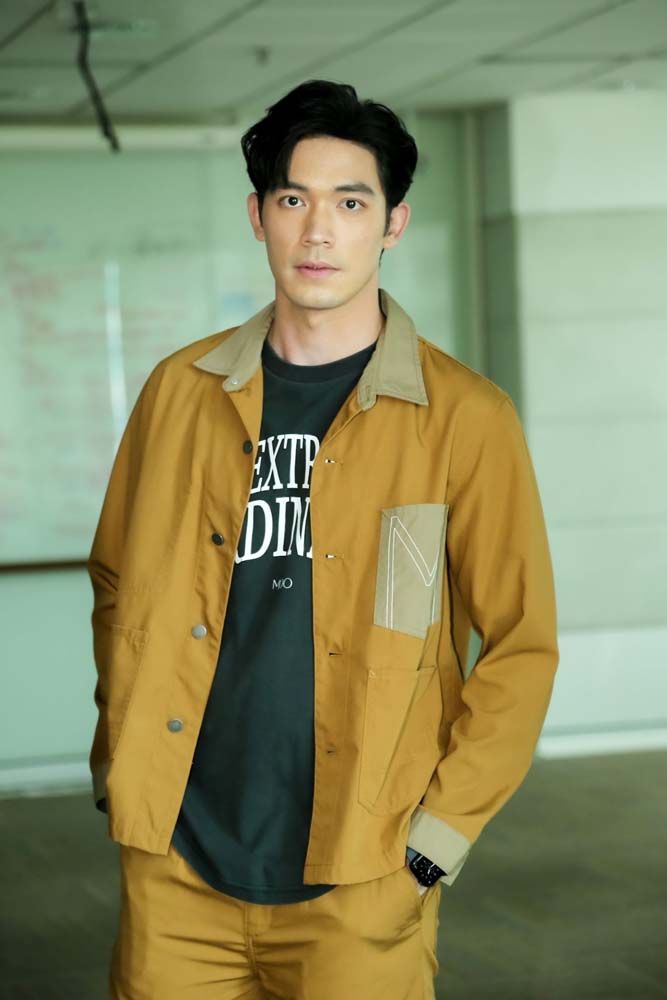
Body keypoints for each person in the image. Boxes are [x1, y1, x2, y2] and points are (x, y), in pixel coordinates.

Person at [87, 78, 559, 999]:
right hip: (177, 867)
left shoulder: (464, 418)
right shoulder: (179, 392)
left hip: (364, 869)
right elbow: (116, 581)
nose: (317, 231)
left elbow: (519, 644)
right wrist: (122, 763)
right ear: (257, 216)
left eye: (349, 203)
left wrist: (436, 840)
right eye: (292, 200)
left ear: (392, 224)